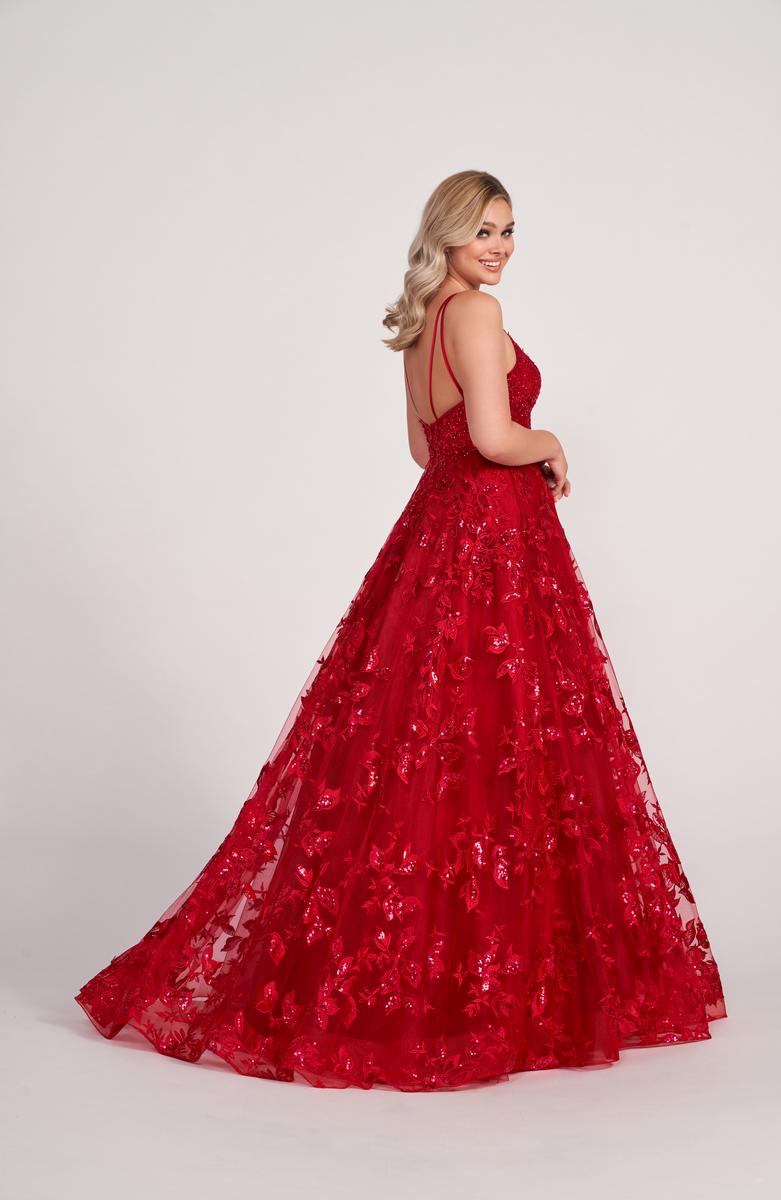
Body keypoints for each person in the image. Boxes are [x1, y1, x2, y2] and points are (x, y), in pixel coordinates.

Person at [74, 169, 727, 1091]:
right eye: (483, 229)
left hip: (439, 533)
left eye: (509, 229)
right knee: (497, 741)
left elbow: (426, 449)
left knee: (427, 747)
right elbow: (494, 439)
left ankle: (445, 980)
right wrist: (550, 443)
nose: (499, 246)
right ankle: (494, 989)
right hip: (494, 540)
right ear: (448, 233)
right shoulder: (478, 313)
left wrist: (503, 449)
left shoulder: (420, 324)